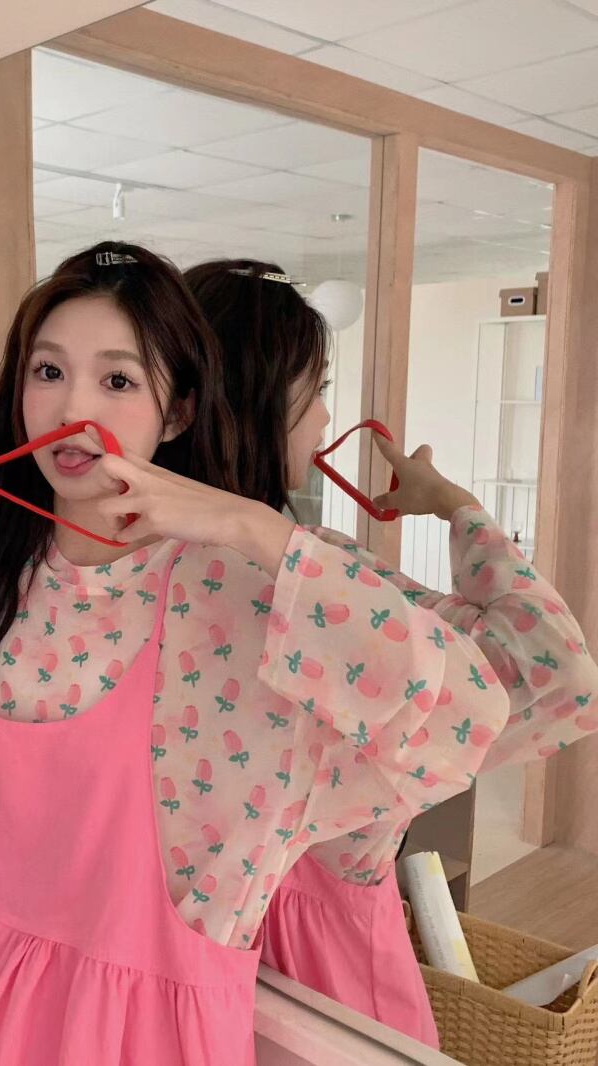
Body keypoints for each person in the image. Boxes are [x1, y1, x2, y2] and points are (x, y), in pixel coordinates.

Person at [0, 240, 525, 1064]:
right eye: (48, 371)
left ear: (176, 413)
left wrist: (249, 525)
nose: (73, 406)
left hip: (129, 1039)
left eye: (117, 381)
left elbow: (464, 714)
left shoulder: (241, 599)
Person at [185, 257, 598, 1048]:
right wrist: (456, 507)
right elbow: (558, 670)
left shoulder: (121, 573)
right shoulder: (325, 588)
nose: (325, 416)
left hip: (179, 956)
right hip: (325, 964)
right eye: (316, 391)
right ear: (261, 405)